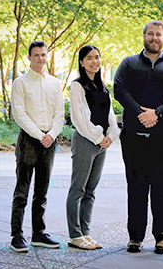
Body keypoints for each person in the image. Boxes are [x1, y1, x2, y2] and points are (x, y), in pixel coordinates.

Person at [113, 20, 163, 254]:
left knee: (162, 188)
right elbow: (119, 90)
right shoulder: (129, 63)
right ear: (144, 36)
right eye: (150, 34)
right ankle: (135, 237)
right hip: (134, 138)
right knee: (136, 188)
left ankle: (162, 237)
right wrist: (140, 113)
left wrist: (157, 113)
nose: (154, 38)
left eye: (158, 34)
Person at [10, 40, 65, 253]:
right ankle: (17, 235)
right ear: (29, 58)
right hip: (29, 141)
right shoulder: (20, 83)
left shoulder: (54, 83)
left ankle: (38, 233)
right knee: (22, 189)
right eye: (36, 55)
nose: (40, 59)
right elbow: (19, 113)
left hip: (49, 141)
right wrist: (39, 134)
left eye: (43, 55)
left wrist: (51, 134)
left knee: (42, 190)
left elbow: (60, 113)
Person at [66, 45, 120, 250]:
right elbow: (79, 118)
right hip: (85, 142)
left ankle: (85, 233)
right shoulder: (77, 85)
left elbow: (110, 114)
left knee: (91, 190)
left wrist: (110, 136)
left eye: (97, 57)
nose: (94, 61)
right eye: (89, 58)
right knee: (78, 188)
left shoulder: (102, 85)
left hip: (101, 144)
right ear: (81, 62)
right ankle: (74, 234)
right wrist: (99, 137)